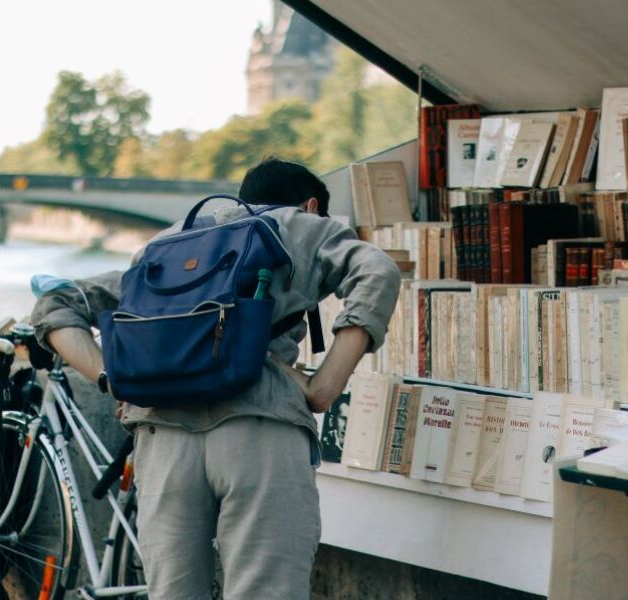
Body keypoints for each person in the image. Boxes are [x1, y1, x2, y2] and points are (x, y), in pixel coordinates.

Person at [31, 157, 400, 599]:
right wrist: (325, 385)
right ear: (311, 204)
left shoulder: (169, 241)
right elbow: (378, 271)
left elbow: (56, 303)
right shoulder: (301, 224)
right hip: (259, 429)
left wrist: (113, 379)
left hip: (163, 439)